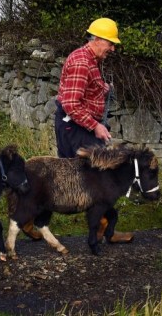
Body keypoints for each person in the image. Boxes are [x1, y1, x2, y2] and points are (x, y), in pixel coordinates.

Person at [53, 17, 133, 243]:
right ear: (97, 40)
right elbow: (71, 104)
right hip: (75, 128)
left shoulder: (90, 59)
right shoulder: (81, 62)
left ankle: (104, 228)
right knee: (97, 177)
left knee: (97, 177)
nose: (113, 48)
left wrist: (101, 88)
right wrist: (95, 125)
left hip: (78, 126)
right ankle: (28, 218)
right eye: (110, 43)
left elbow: (82, 91)